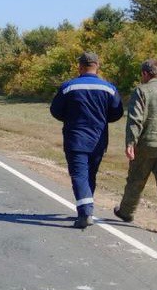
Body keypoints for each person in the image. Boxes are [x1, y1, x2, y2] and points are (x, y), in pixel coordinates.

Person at [50, 51, 124, 228]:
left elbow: (55, 110)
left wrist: (70, 118)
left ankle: (85, 213)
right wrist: (101, 119)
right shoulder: (109, 88)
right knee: (90, 175)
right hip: (99, 139)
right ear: (97, 66)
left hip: (76, 138)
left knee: (79, 175)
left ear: (80, 66)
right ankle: (86, 209)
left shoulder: (69, 87)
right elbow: (117, 113)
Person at [114, 59, 157, 233]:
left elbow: (135, 119)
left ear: (145, 74)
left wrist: (131, 142)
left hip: (146, 144)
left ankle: (126, 212)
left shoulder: (141, 90)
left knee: (136, 180)